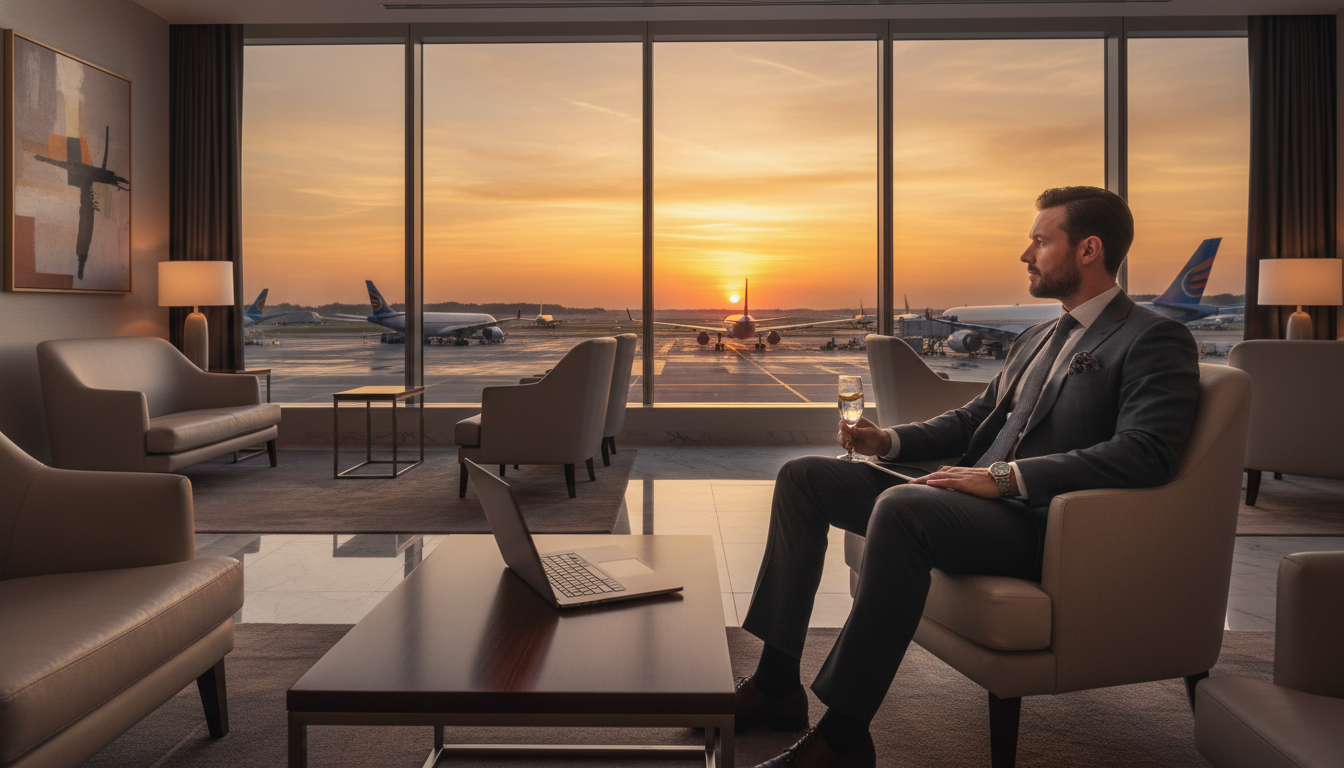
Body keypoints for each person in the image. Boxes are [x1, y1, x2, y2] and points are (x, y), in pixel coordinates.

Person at [738, 186, 1201, 768]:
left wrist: (1006, 478)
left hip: (1041, 524)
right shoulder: (1037, 337)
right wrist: (891, 441)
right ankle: (777, 684)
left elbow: (1146, 452)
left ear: (1088, 249)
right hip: (966, 499)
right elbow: (976, 418)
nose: (1025, 255)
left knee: (903, 510)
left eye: (1039, 240)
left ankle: (845, 738)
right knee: (804, 477)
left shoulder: (1153, 338)